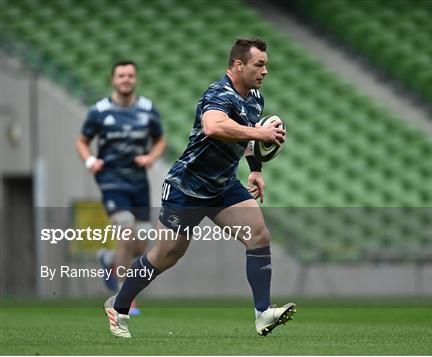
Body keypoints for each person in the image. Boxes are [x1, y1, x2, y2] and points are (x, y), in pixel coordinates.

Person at [103, 38, 295, 338]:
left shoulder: (255, 97)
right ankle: (119, 305)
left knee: (258, 234)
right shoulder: (219, 93)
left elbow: (244, 139)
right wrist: (260, 132)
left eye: (266, 64)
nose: (265, 70)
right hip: (186, 189)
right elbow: (214, 126)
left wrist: (255, 170)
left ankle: (263, 312)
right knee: (165, 256)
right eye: (260, 64)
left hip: (223, 187)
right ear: (238, 65)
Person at [76, 60, 166, 314]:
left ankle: (109, 260)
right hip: (111, 180)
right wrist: (90, 159)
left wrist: (151, 157)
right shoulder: (100, 111)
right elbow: (82, 141)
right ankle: (124, 298)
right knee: (126, 230)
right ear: (113, 80)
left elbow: (160, 140)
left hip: (139, 183)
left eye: (130, 75)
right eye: (121, 75)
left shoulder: (147, 109)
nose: (126, 79)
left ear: (135, 79)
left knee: (141, 241)